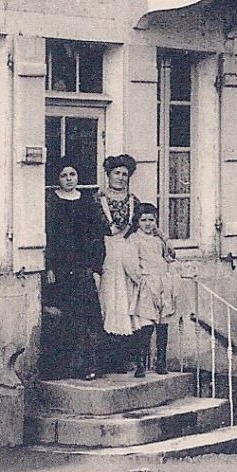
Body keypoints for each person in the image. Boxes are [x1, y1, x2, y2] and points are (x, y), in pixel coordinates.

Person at [41, 163, 106, 380]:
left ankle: (86, 366)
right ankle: (60, 368)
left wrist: (95, 267)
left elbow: (96, 234)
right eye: (64, 175)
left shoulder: (86, 201)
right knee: (62, 317)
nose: (69, 179)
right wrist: (49, 265)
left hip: (81, 269)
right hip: (60, 269)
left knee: (86, 318)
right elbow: (49, 234)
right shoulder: (52, 201)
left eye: (72, 174)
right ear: (58, 178)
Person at [96, 154, 143, 371]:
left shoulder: (134, 202)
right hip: (107, 254)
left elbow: (143, 228)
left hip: (128, 254)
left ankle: (125, 358)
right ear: (109, 175)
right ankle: (105, 360)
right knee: (108, 302)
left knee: (127, 303)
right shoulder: (98, 200)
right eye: (117, 173)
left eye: (125, 174)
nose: (121, 178)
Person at [126, 203, 177, 377]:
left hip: (162, 283)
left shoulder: (158, 240)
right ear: (137, 221)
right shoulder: (135, 239)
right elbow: (131, 263)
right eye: (144, 220)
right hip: (147, 284)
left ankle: (160, 362)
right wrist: (140, 280)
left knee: (162, 325)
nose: (147, 224)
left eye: (151, 220)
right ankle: (141, 364)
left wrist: (166, 242)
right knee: (146, 326)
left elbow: (168, 258)